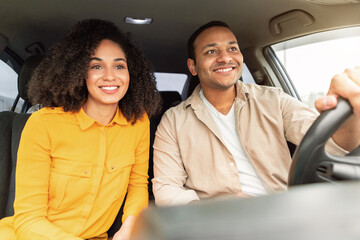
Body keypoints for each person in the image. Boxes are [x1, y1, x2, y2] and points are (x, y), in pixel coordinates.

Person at [152, 21, 360, 206]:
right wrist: (215, 209)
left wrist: (350, 114)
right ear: (193, 66)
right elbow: (166, 189)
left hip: (285, 212)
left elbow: (332, 145)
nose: (225, 57)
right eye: (211, 52)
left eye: (232, 48)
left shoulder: (274, 100)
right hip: (216, 224)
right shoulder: (173, 121)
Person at [0, 19, 160, 239]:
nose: (110, 75)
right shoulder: (43, 124)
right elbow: (29, 221)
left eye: (119, 65)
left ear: (131, 73)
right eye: (96, 66)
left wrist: (131, 225)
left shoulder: (138, 123)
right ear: (78, 73)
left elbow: (137, 184)